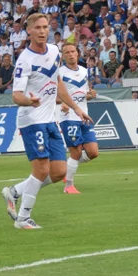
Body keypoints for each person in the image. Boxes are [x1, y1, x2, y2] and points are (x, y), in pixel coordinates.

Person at [1, 13, 91, 229]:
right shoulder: (24, 60)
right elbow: (16, 95)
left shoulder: (53, 51)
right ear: (29, 31)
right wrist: (29, 101)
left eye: (45, 27)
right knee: (41, 170)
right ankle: (23, 218)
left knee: (59, 172)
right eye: (38, 28)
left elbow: (58, 81)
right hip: (31, 120)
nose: (42, 31)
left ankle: (14, 192)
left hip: (50, 120)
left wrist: (77, 107)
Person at [56, 41, 99, 194]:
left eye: (73, 51)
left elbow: (84, 95)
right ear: (63, 56)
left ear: (78, 53)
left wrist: (90, 95)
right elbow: (52, 96)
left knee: (93, 152)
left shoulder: (83, 71)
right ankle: (68, 186)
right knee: (76, 152)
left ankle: (66, 168)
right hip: (68, 117)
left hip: (83, 115)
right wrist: (62, 102)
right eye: (67, 52)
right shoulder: (59, 73)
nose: (71, 54)